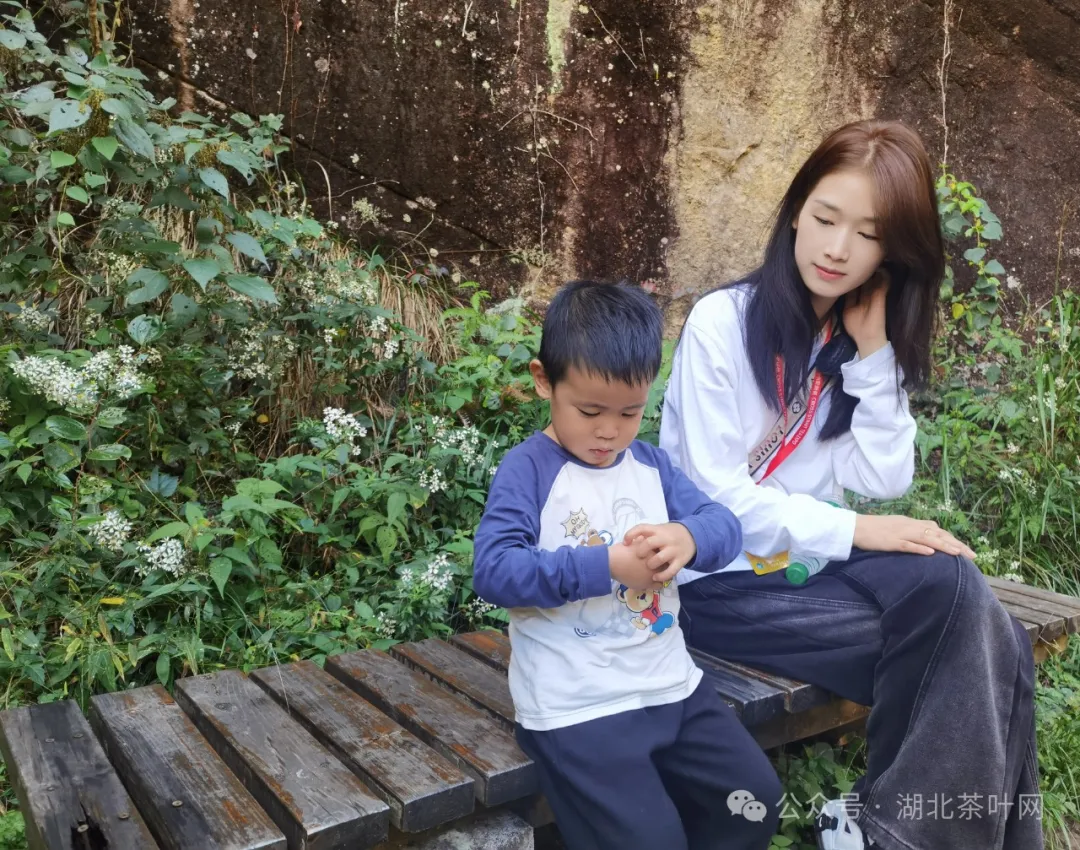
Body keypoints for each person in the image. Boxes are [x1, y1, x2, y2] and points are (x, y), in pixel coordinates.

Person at [659, 119, 1041, 850]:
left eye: (867, 235)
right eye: (827, 218)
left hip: (811, 572)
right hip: (718, 586)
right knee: (997, 646)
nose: (837, 248)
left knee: (964, 604)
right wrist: (861, 530)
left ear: (891, 254)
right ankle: (879, 831)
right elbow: (716, 503)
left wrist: (874, 353)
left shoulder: (848, 340)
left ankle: (882, 830)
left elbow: (883, 476)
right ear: (795, 211)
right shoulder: (721, 323)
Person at [473, 280, 780, 850]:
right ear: (544, 380)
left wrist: (688, 537)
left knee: (755, 803)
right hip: (577, 706)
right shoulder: (529, 471)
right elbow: (495, 570)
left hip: (672, 687)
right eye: (589, 411)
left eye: (630, 412)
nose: (609, 431)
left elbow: (724, 525)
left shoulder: (651, 465)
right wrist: (608, 565)